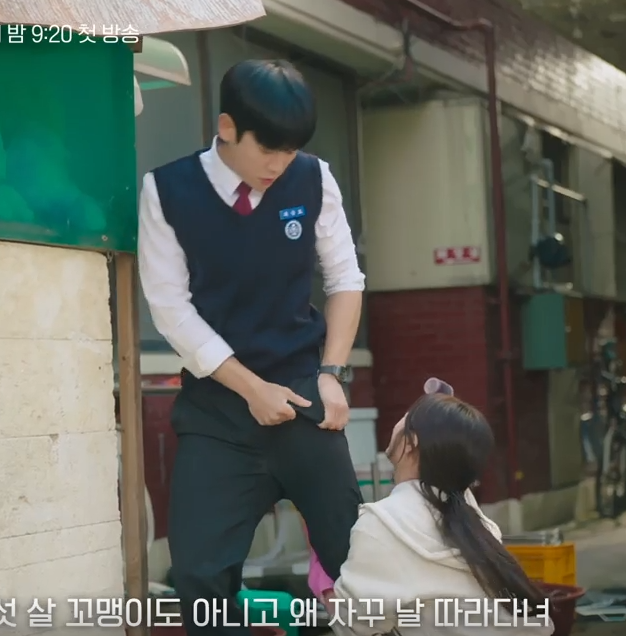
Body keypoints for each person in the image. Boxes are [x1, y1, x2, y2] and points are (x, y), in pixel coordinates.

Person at [138, 58, 366, 636]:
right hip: (218, 415)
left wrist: (332, 373)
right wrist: (250, 388)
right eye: (268, 149)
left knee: (359, 567)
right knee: (200, 579)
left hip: (306, 401)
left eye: (290, 151)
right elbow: (170, 309)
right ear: (227, 127)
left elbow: (345, 279)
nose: (278, 165)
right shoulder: (166, 191)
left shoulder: (313, 178)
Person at [328, 386, 553, 636]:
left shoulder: (380, 525)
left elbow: (354, 625)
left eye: (406, 416)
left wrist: (327, 590)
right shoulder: (481, 526)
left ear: (412, 442)